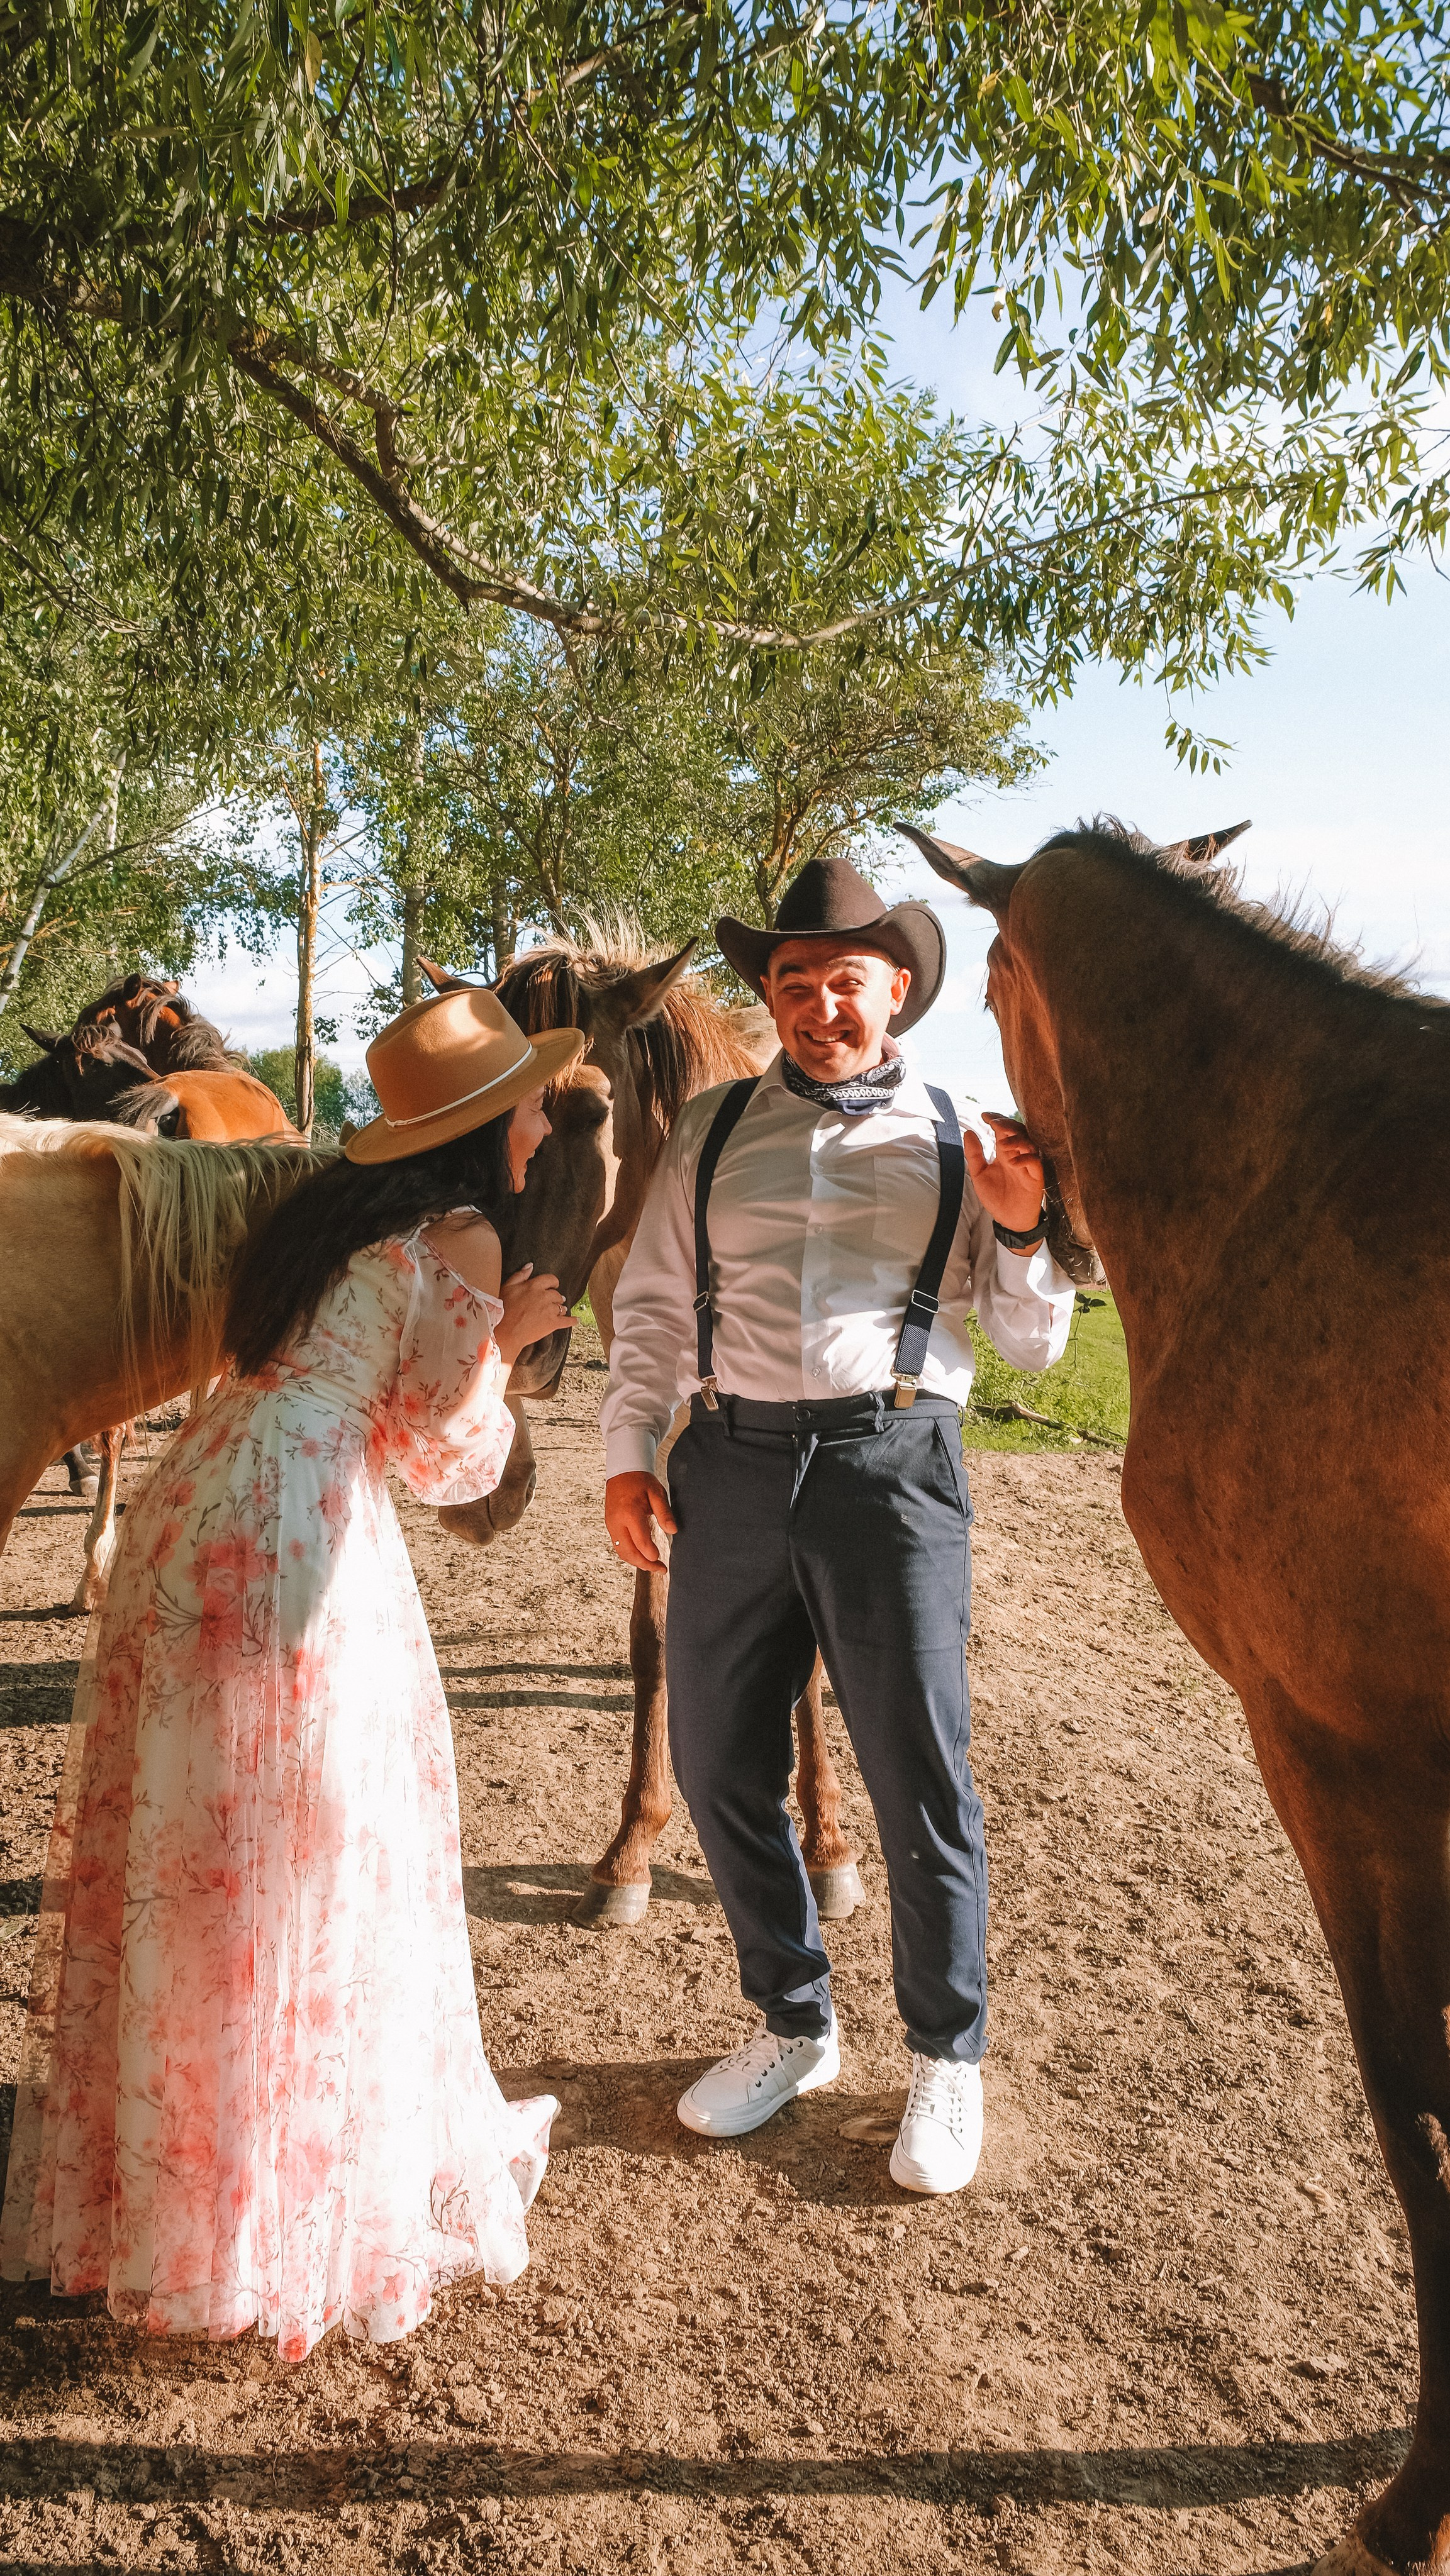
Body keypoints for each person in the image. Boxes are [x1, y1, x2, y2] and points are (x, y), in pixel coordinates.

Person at [0, 984, 584, 2360]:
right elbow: (447, 1456)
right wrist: (499, 1347)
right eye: (535, 1097)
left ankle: (169, 2169)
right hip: (301, 1529)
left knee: (195, 1834)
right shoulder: (466, 1234)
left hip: (196, 1504)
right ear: (495, 1119)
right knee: (306, 1844)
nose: (548, 1115)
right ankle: (269, 2208)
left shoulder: (322, 1214)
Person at [601, 853, 1076, 2194]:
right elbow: (645, 1311)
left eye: (844, 981)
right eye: (793, 982)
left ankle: (946, 2052)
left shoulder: (960, 1133)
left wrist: (1025, 1232)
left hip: (892, 1466)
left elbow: (1034, 1349)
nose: (818, 1005)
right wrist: (629, 1454)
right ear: (769, 994)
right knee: (712, 1762)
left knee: (916, 1776)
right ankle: (793, 2021)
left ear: (901, 989)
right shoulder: (707, 1130)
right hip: (731, 1467)